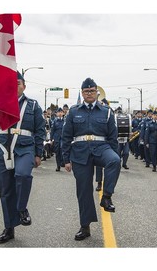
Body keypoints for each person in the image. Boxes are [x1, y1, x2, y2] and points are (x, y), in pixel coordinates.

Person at [62, 77, 120, 241]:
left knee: (114, 160)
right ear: (82, 93)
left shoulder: (107, 111)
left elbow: (113, 137)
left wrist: (114, 152)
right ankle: (85, 226)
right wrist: (66, 159)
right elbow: (66, 136)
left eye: (92, 91)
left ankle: (106, 197)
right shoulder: (74, 111)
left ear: (97, 92)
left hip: (102, 148)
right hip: (80, 152)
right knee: (84, 191)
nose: (89, 93)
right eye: (86, 91)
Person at [0, 71, 45, 244]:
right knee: (5, 190)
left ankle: (22, 208)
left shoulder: (33, 105)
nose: (15, 86)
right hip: (3, 148)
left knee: (23, 175)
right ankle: (9, 228)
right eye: (11, 84)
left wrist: (38, 153)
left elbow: (40, 130)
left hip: (25, 147)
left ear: (24, 85)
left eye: (18, 83)